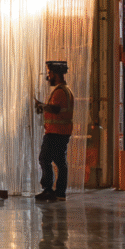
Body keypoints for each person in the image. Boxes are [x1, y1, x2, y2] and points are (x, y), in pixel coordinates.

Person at [35, 60, 75, 202]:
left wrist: (42, 106)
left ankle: (48, 190)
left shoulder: (59, 92)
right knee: (59, 162)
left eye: (49, 73)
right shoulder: (66, 90)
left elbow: (56, 109)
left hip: (55, 132)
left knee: (45, 158)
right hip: (61, 132)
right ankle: (59, 193)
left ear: (56, 74)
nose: (48, 77)